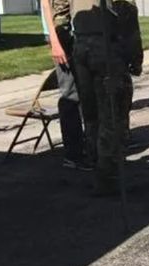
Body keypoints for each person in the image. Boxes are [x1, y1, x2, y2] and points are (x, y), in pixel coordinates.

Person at [70, 0, 142, 195]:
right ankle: (107, 176)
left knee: (91, 115)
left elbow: (60, 12)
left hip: (80, 46)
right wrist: (136, 59)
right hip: (106, 49)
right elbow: (128, 15)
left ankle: (98, 168)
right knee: (112, 114)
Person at [41, 0, 88, 170]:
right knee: (70, 95)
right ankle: (73, 154)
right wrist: (55, 42)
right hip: (60, 35)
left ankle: (87, 146)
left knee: (85, 92)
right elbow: (46, 5)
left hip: (79, 33)